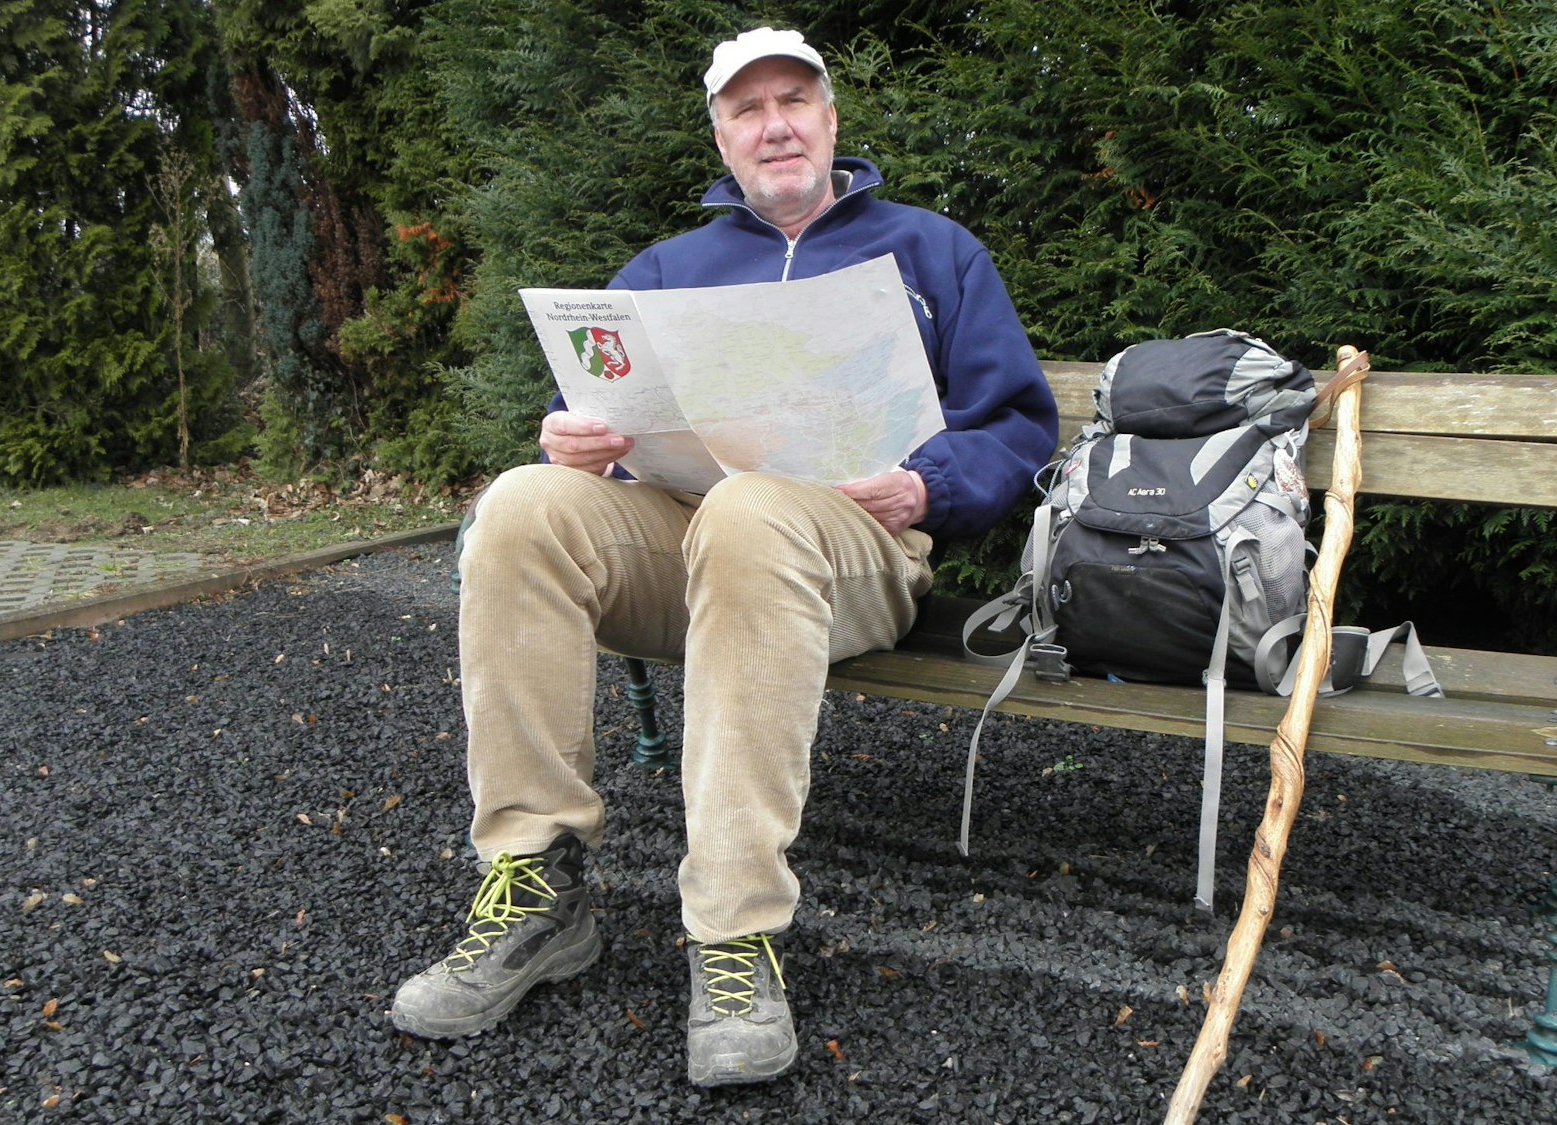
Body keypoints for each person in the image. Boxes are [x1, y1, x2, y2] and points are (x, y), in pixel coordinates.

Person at [390, 26, 1058, 1086]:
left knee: (750, 511)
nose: (774, 125)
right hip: (681, 537)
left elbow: (1018, 425)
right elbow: (591, 410)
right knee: (520, 505)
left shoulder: (932, 252)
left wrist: (930, 485)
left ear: (830, 120)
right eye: (748, 109)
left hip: (854, 547)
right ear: (721, 138)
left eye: (793, 101)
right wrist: (572, 440)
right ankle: (535, 888)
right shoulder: (665, 271)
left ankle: (733, 932)